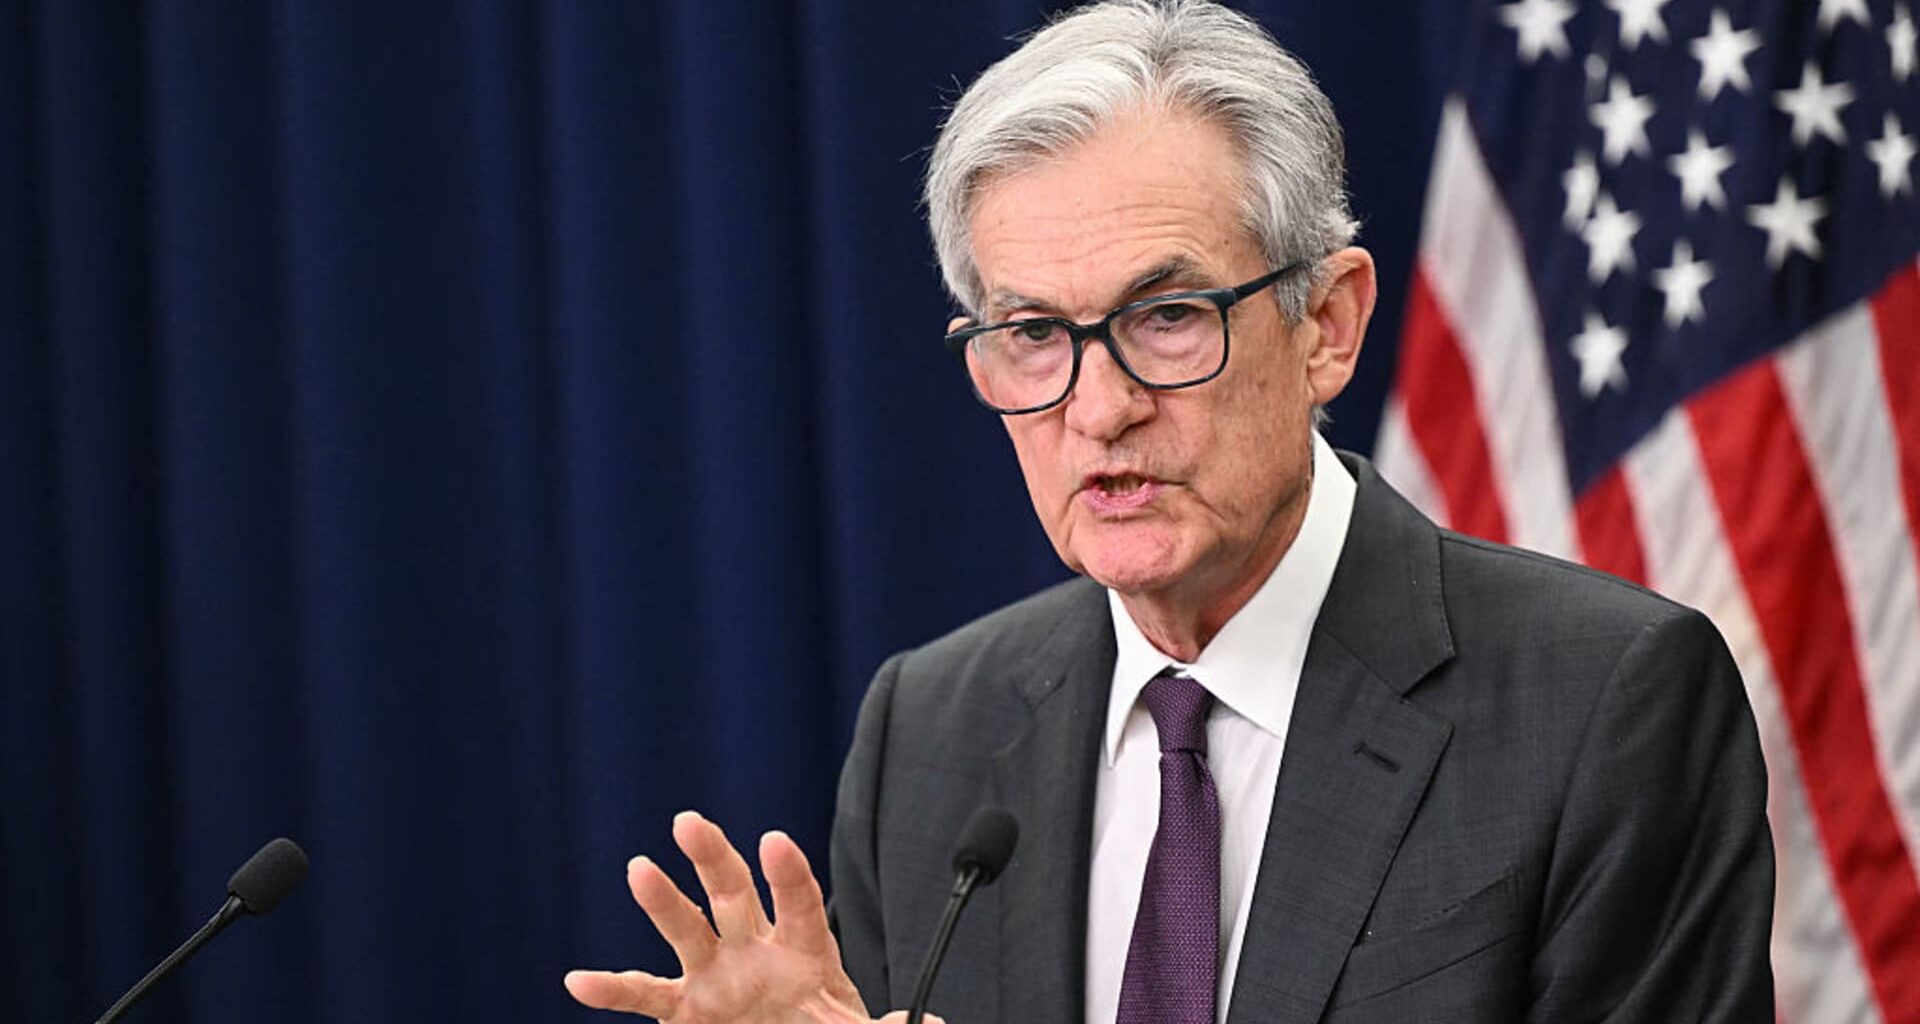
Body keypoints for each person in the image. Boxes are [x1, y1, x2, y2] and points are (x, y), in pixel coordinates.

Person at [565, 1, 1775, 1021]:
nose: (1099, 408)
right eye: (1033, 334)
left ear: (1327, 325)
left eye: (1168, 317)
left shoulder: (1605, 703)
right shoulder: (929, 730)